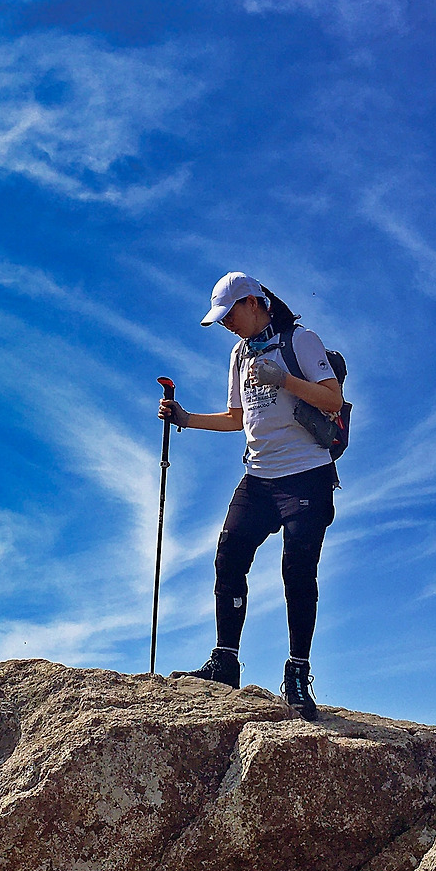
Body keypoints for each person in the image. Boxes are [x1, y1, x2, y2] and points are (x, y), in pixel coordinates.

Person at [158, 271, 343, 719]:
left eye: (229, 314)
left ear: (254, 303)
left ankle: (297, 673)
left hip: (307, 475)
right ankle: (226, 662)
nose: (226, 324)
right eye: (220, 318)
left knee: (298, 572)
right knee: (229, 557)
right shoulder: (239, 355)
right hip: (259, 477)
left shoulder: (300, 340)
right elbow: (236, 418)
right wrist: (185, 418)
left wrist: (283, 378)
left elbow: (332, 400)